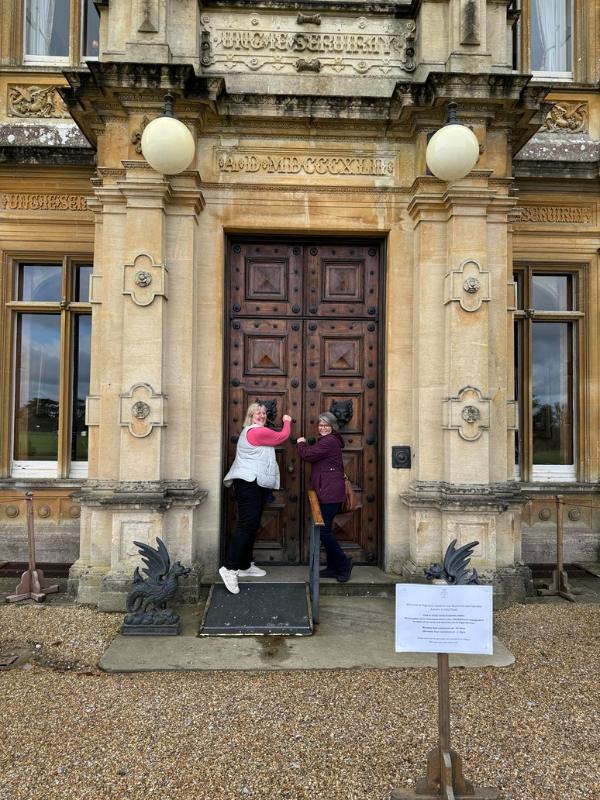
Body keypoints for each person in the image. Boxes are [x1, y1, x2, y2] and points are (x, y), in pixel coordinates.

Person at [220, 402, 292, 594]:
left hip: (255, 483)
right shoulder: (254, 431)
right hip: (248, 484)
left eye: (263, 413)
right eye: (256, 413)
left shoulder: (259, 431)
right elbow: (282, 436)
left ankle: (244, 566)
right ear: (250, 416)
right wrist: (287, 421)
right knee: (246, 525)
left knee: (251, 525)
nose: (260, 415)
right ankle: (229, 568)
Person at [296, 411, 353, 582]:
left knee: (324, 532)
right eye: (321, 425)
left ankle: (343, 564)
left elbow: (308, 455)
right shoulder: (329, 441)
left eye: (326, 425)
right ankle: (333, 567)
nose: (323, 427)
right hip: (328, 491)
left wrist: (301, 443)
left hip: (329, 493)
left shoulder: (329, 441)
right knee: (325, 530)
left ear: (333, 427)